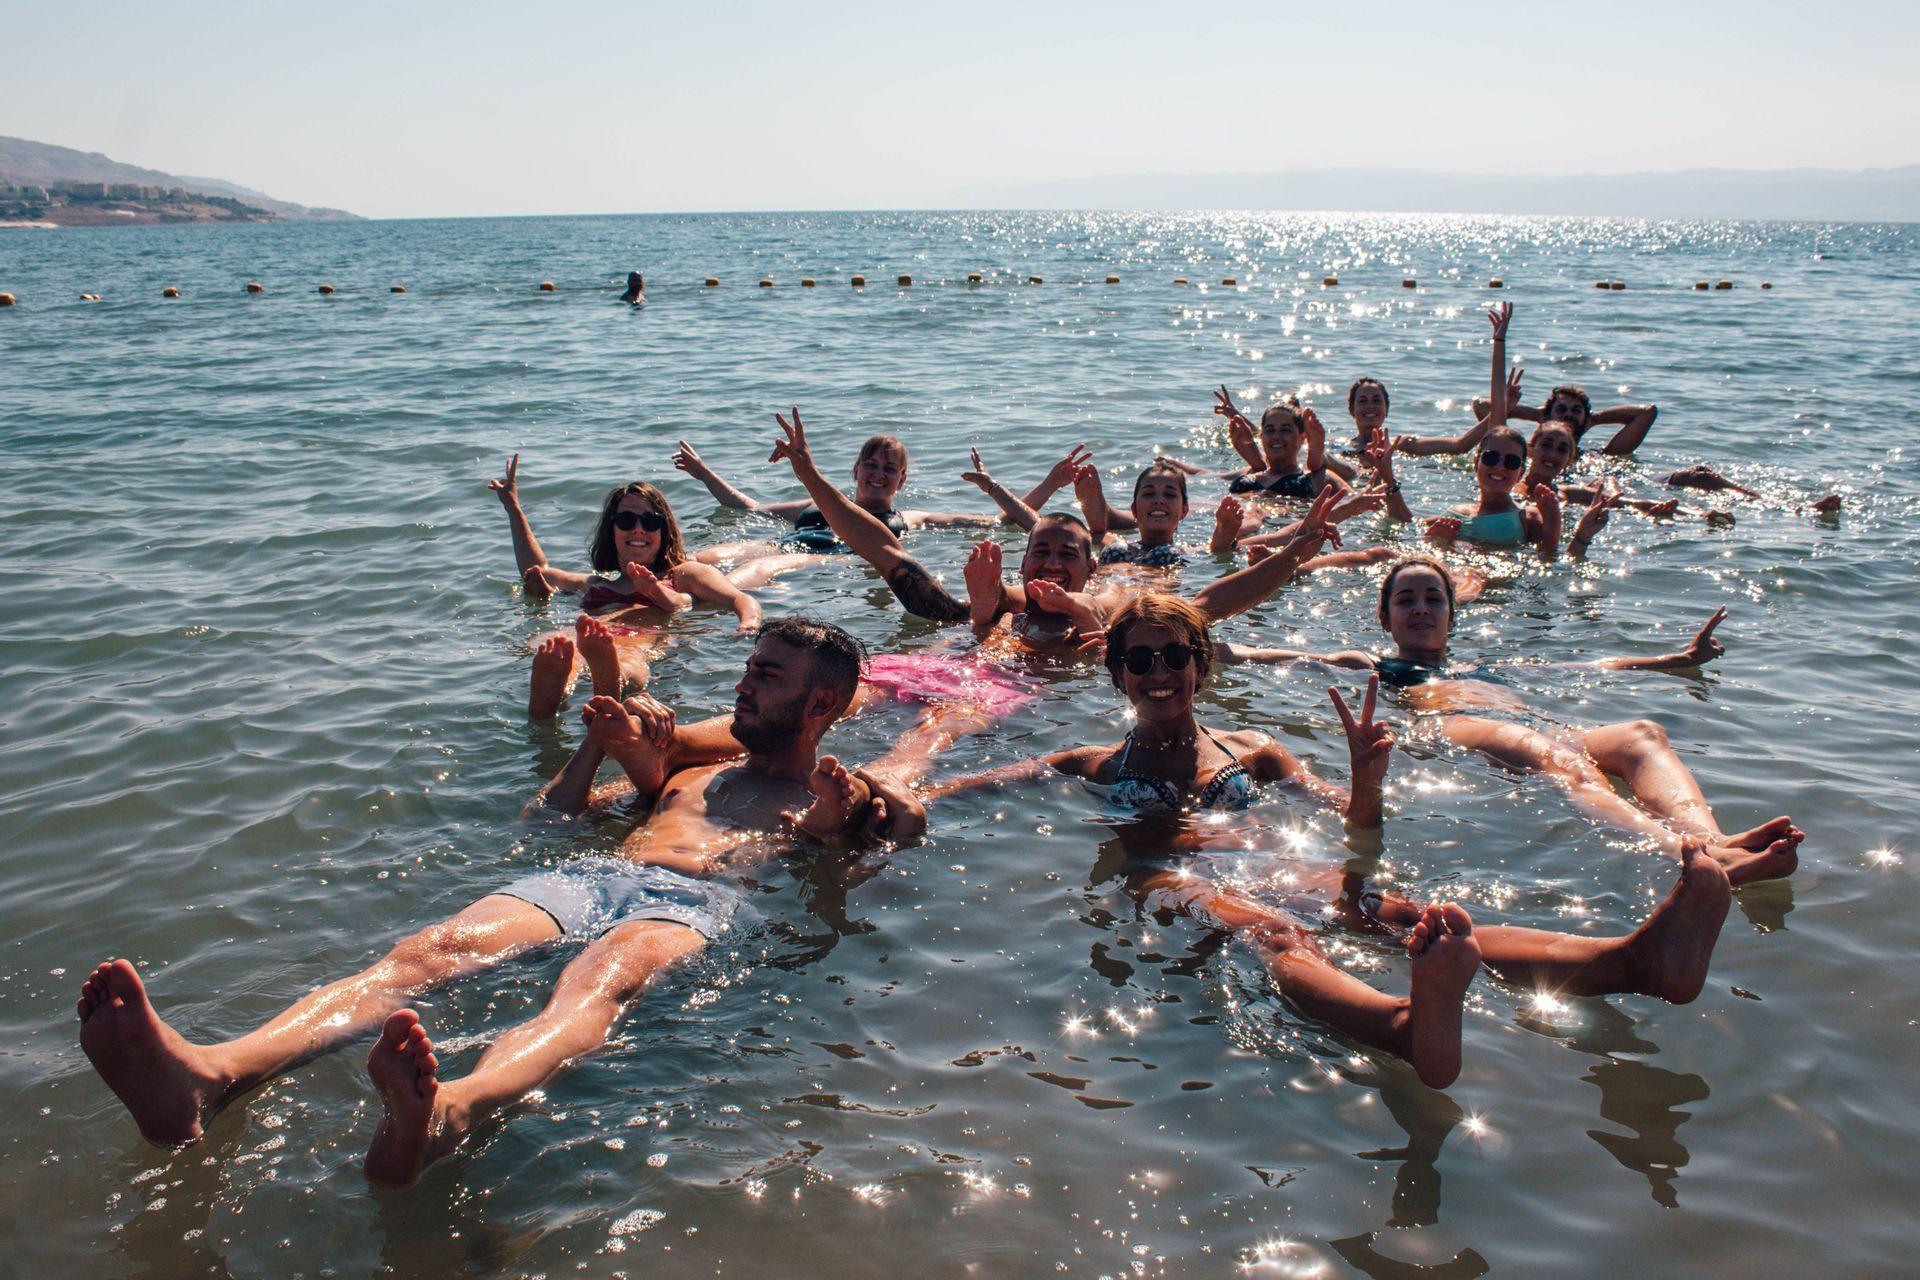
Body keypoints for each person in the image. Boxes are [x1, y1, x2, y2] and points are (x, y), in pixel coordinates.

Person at [75, 619, 933, 1186]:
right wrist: (600, 753)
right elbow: (564, 813)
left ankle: (452, 1112)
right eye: (747, 669)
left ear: (821, 702)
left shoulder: (839, 797)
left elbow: (869, 843)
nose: (743, 687)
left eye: (767, 677)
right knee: (429, 951)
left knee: (599, 980)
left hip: (692, 906)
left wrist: (841, 820)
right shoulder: (697, 772)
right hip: (601, 876)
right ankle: (215, 1075)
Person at [919, 595, 1738, 1087]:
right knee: (1275, 933)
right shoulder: (1089, 762)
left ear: (1201, 666)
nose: (1158, 670)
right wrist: (877, 793)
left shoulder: (1257, 752)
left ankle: (1641, 962)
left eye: (1175, 655)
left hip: (1268, 860)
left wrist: (1368, 781)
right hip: (1168, 882)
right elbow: (957, 793)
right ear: (1119, 675)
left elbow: (1359, 833)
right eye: (1140, 660)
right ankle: (1402, 1023)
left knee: (1412, 913)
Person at [1227, 556, 1802, 886]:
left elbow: (1591, 664)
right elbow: (1267, 658)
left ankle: (1710, 838)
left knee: (1641, 734)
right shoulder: (1373, 662)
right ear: (1386, 617)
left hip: (1534, 724)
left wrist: (1676, 660)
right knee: (1555, 757)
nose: (1421, 607)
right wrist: (1204, 642)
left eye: (1434, 597)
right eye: (1406, 600)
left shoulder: (1483, 664)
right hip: (1453, 728)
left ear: (1453, 612)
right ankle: (1689, 858)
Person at [490, 456, 763, 717]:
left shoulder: (684, 575)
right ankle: (552, 694)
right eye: (626, 521)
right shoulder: (595, 584)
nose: (638, 530)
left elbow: (741, 600)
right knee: (561, 649)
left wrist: (747, 626)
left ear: (664, 530)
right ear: (612, 531)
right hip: (588, 635)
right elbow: (539, 570)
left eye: (650, 521)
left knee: (629, 658)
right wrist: (512, 507)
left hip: (638, 636)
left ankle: (609, 680)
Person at [672, 431, 1016, 565]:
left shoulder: (911, 518)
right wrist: (703, 473)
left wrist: (992, 486)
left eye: (889, 468)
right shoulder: (815, 506)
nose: (879, 473)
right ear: (855, 471)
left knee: (762, 566)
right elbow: (747, 507)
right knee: (702, 558)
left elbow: (1001, 522)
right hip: (784, 547)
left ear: (902, 479)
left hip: (824, 562)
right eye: (870, 465)